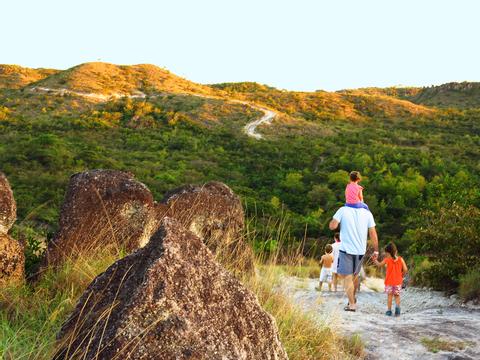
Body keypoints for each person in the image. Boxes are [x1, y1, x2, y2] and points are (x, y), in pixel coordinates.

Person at [329, 203, 378, 312]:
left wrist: (334, 221)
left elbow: (332, 226)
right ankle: (352, 299)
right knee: (355, 276)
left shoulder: (343, 210)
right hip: (360, 250)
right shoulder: (367, 212)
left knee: (347, 277)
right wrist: (376, 250)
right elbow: (373, 233)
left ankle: (351, 304)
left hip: (346, 249)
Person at [373, 242, 408, 316]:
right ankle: (397, 310)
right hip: (398, 282)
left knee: (389, 296)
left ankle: (389, 311)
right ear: (396, 251)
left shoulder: (387, 260)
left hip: (389, 282)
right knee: (397, 296)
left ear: (388, 253)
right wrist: (401, 276)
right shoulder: (401, 259)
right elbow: (405, 269)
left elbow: (379, 265)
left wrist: (375, 260)